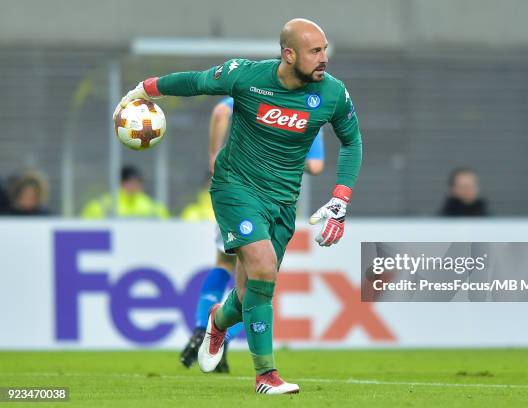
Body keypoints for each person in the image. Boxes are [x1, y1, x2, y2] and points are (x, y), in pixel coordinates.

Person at [116, 18, 362, 394]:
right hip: (236, 188)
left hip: (281, 201)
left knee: (250, 293)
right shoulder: (246, 76)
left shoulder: (332, 93)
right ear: (289, 54)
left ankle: (217, 322)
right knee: (263, 268)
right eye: (315, 51)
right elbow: (196, 82)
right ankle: (266, 375)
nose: (323, 58)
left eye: (324, 49)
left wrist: (341, 197)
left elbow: (352, 142)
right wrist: (144, 90)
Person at [179, 97, 325, 372]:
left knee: (225, 264)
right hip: (275, 202)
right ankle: (223, 338)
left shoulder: (258, 91)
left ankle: (204, 328)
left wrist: (215, 156)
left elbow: (221, 112)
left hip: (239, 193)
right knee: (256, 281)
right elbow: (316, 166)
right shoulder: (313, 109)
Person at [81, 165, 169, 219]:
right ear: (121, 182)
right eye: (130, 181)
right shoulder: (101, 205)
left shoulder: (153, 206)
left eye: (138, 182)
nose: (134, 185)